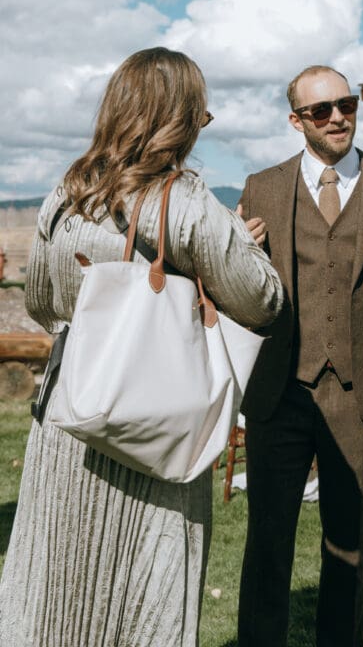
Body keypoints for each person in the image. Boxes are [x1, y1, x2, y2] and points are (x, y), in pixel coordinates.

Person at [0, 48, 283, 647]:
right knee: (146, 590)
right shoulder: (184, 200)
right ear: (178, 120)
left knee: (56, 587)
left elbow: (44, 305)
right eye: (201, 119)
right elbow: (262, 300)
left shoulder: (64, 194)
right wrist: (241, 242)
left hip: (71, 416)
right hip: (157, 425)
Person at [236, 65, 363, 647]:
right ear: (296, 120)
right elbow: (240, 289)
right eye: (321, 110)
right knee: (268, 542)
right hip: (280, 390)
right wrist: (240, 255)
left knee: (350, 548)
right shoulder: (261, 186)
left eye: (347, 104)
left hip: (362, 395)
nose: (338, 117)